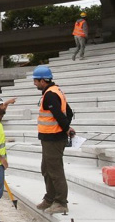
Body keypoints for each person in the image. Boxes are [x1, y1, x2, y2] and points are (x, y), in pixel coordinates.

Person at [31, 65, 74, 215]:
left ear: (43, 80)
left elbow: (59, 115)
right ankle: (50, 198)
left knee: (55, 171)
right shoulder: (55, 91)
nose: (35, 83)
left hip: (54, 139)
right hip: (50, 138)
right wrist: (66, 127)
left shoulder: (50, 94)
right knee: (46, 168)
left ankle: (61, 202)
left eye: (36, 81)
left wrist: (65, 128)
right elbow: (68, 112)